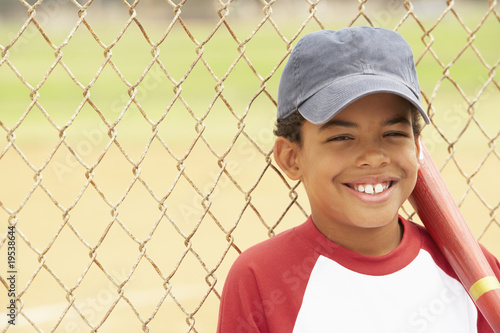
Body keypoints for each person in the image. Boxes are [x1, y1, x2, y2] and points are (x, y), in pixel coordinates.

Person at [216, 26, 500, 332]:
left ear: (417, 148)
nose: (374, 156)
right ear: (291, 157)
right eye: (342, 137)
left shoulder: (472, 269)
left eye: (393, 134)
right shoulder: (260, 278)